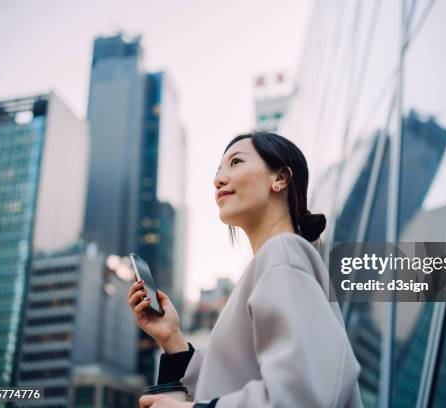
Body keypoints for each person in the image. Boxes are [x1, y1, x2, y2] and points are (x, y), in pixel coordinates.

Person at [128, 132, 363, 408]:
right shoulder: (273, 262)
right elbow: (233, 384)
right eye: (218, 171)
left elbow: (301, 394)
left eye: (236, 162)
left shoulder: (283, 252)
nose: (218, 179)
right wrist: (172, 338)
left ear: (280, 178)